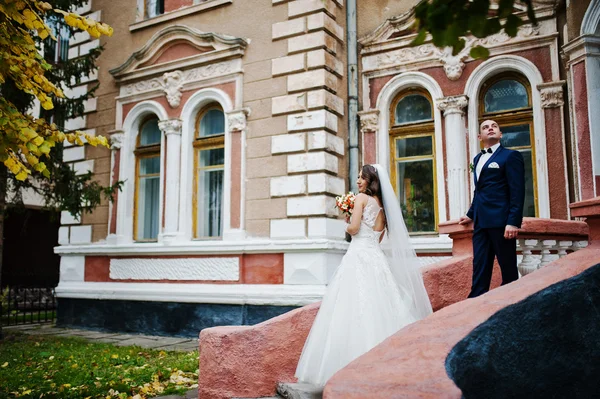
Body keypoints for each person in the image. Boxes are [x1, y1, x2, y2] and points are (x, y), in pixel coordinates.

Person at [295, 164, 433, 386]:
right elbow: (378, 238)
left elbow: (354, 228)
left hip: (358, 256)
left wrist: (347, 220)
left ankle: (350, 368)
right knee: (382, 304)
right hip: (375, 258)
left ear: (371, 180)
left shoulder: (361, 199)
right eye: (358, 177)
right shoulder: (383, 206)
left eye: (362, 178)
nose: (358, 181)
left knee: (351, 306)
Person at [459, 120, 525, 298]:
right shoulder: (477, 159)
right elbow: (479, 191)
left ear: (500, 134)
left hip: (501, 221)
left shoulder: (511, 156)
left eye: (494, 126)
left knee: (508, 268)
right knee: (479, 265)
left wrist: (513, 222)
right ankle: (475, 303)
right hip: (480, 222)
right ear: (480, 137)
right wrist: (471, 214)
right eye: (485, 127)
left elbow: (517, 191)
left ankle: (511, 304)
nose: (490, 128)